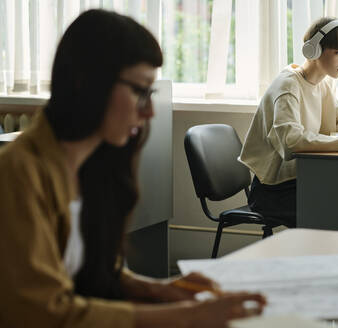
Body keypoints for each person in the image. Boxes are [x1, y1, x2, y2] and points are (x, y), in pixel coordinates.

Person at [0, 9, 265, 328]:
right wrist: (189, 316)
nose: (150, 111)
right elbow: (40, 313)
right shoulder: (17, 174)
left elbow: (94, 273)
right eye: (140, 91)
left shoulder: (95, 166)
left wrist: (162, 289)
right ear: (87, 83)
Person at [239, 17, 338, 225]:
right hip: (273, 192)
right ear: (314, 49)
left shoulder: (322, 85)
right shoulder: (287, 86)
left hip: (303, 181)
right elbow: (291, 142)